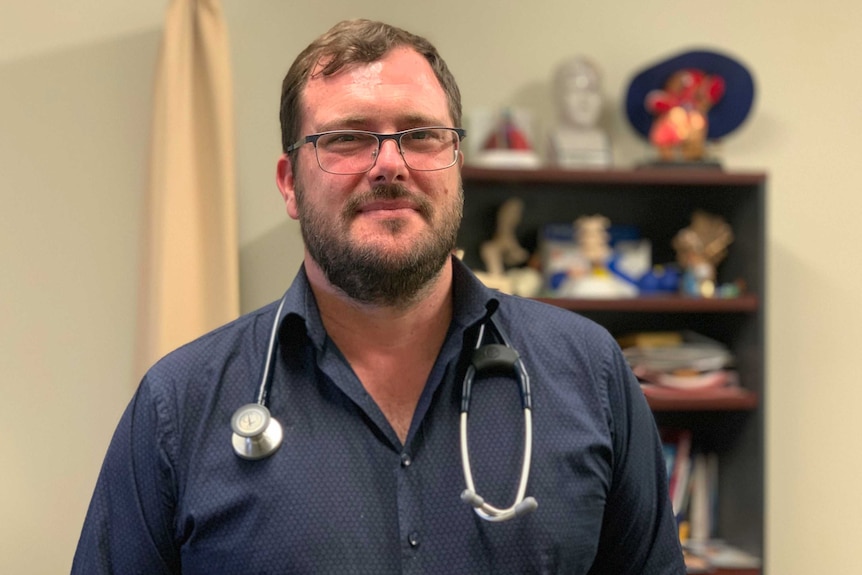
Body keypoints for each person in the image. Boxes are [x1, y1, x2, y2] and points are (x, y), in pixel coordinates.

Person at [72, 19, 685, 574]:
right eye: (346, 138)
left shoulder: (590, 374)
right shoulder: (178, 407)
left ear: (456, 165)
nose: (389, 163)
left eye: (420, 135)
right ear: (289, 184)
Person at [548, 56, 612, 168]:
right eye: (575, 90)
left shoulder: (603, 139)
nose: (585, 100)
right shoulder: (554, 138)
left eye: (592, 90)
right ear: (559, 96)